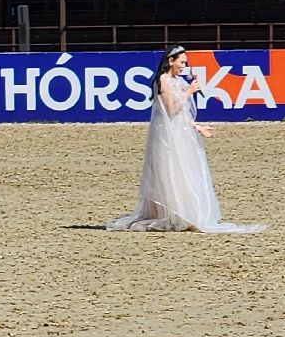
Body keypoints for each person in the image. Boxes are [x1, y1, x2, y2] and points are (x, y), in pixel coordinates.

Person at [106, 46, 265, 233]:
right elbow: (171, 110)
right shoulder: (163, 80)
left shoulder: (178, 81)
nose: (184, 66)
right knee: (169, 170)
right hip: (167, 135)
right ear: (171, 61)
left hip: (181, 132)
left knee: (184, 170)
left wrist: (197, 127)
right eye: (181, 62)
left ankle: (182, 213)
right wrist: (189, 91)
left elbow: (181, 113)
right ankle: (168, 213)